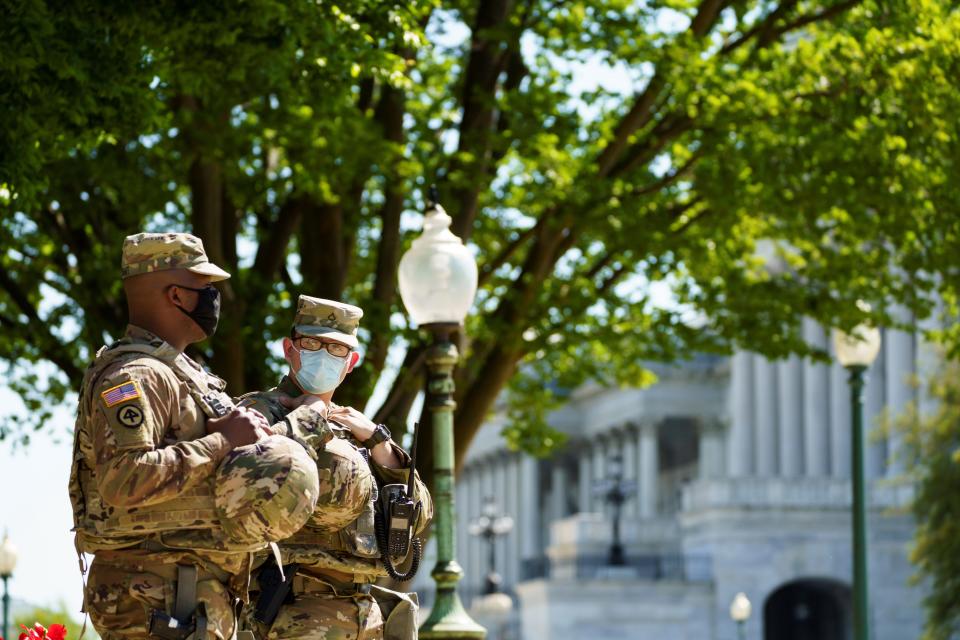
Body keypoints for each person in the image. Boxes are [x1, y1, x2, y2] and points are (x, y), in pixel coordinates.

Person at [69, 233, 329, 640]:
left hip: (185, 594)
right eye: (205, 288)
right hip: (157, 596)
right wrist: (223, 441)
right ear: (176, 295)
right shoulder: (135, 375)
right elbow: (123, 477)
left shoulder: (182, 374)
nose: (214, 298)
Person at [239, 295, 433, 640]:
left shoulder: (355, 429)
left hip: (364, 614)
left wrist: (380, 444)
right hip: (289, 609)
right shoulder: (258, 413)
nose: (323, 356)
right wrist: (307, 419)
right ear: (289, 349)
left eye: (337, 350)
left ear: (351, 362)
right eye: (312, 344)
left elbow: (416, 519)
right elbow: (246, 486)